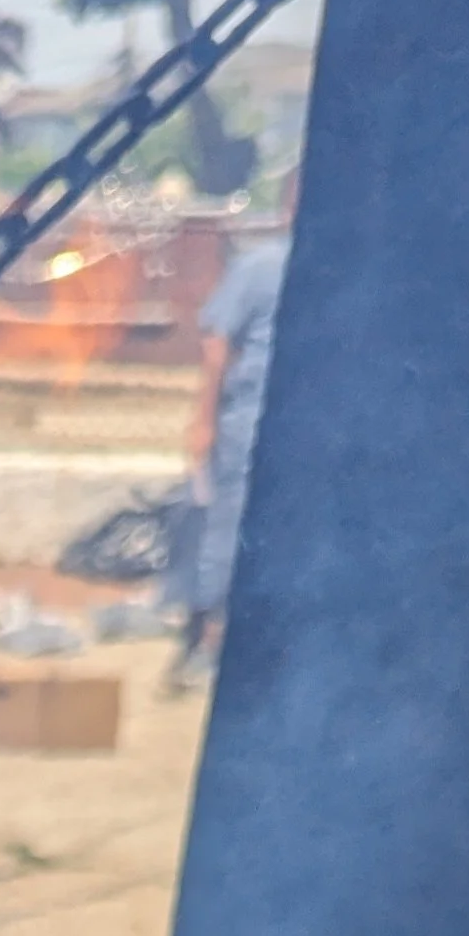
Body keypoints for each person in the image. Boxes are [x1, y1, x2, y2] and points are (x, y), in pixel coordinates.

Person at [174, 166, 300, 685]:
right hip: (252, 420)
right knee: (228, 528)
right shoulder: (260, 266)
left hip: (312, 428)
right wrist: (204, 419)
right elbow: (217, 341)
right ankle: (208, 640)